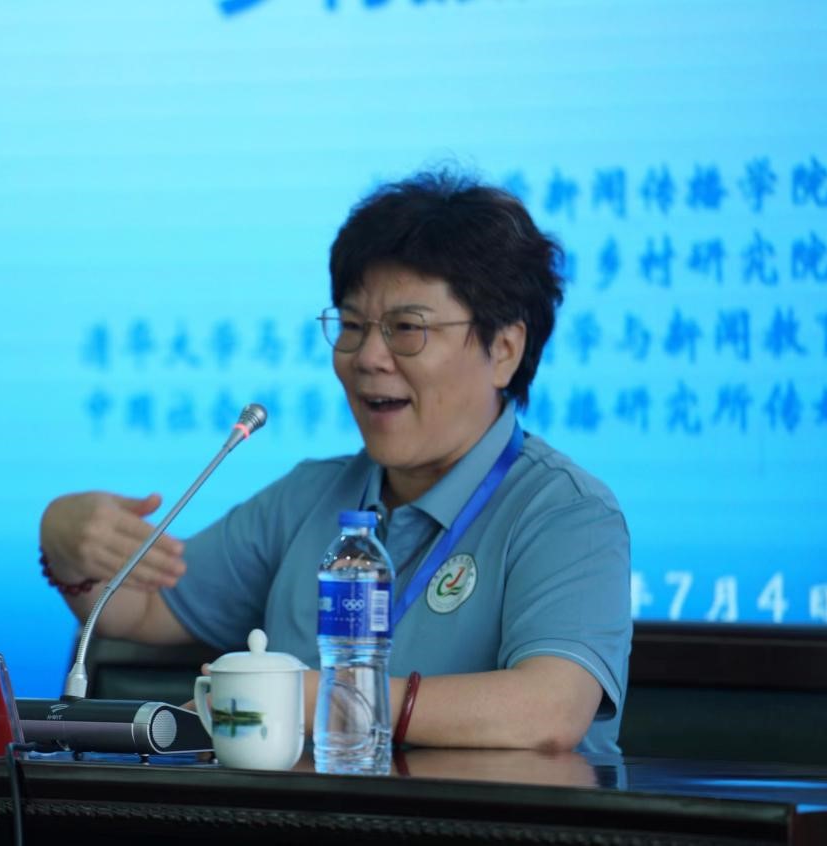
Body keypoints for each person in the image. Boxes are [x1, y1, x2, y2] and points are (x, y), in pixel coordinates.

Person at [39, 169, 631, 754]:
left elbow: (548, 711)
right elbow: (140, 607)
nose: (368, 356)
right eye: (351, 325)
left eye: (407, 328)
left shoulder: (566, 513)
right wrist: (63, 543)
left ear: (504, 350)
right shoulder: (309, 497)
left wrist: (322, 699)